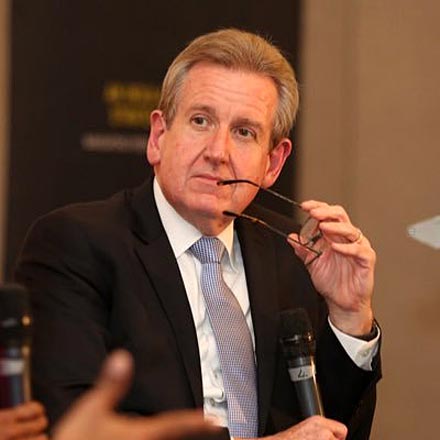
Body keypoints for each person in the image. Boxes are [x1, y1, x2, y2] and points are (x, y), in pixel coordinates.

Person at [15, 28, 381, 439]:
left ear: (273, 163)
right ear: (158, 137)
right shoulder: (76, 246)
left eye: (244, 132)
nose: (218, 152)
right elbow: (73, 427)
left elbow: (333, 429)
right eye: (201, 121)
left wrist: (350, 317)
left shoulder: (296, 257)